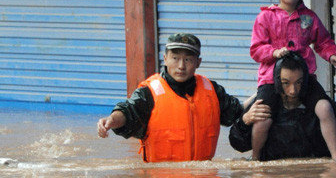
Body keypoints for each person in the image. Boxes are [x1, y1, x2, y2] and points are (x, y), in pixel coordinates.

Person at [97, 33, 243, 162]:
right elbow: (128, 111)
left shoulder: (212, 90)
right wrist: (111, 120)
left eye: (188, 60)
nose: (181, 66)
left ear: (198, 62)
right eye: (175, 58)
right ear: (165, 59)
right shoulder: (149, 92)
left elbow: (237, 112)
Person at [250, 0, 336, 161]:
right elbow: (256, 50)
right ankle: (256, 159)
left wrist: (332, 55)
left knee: (325, 108)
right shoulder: (265, 17)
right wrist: (274, 53)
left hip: (304, 78)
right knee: (263, 117)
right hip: (271, 79)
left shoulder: (309, 18)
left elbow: (323, 41)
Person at [229, 52, 336, 160]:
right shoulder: (265, 104)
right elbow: (237, 142)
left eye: (299, 83)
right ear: (278, 81)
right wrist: (245, 120)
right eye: (286, 83)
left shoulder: (319, 104)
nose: (293, 91)